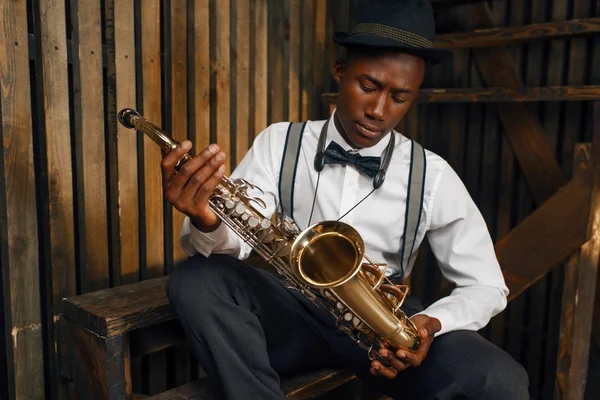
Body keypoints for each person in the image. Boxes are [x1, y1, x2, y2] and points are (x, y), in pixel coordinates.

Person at [163, 0, 529, 398]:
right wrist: (207, 220)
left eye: (399, 97)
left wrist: (427, 324)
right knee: (196, 280)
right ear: (340, 72)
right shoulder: (279, 141)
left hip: (383, 332)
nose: (378, 110)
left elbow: (486, 287)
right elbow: (238, 236)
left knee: (498, 379)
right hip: (289, 317)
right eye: (368, 86)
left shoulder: (433, 174)